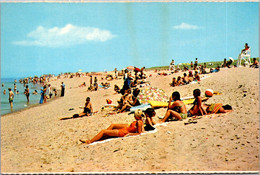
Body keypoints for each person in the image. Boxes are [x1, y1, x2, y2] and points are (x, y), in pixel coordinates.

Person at [79, 109, 145, 144]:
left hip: (123, 132)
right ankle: (104, 136)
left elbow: (139, 133)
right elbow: (143, 130)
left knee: (103, 131)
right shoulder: (140, 121)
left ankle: (90, 141)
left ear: (136, 116)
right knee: (113, 125)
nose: (134, 116)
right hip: (126, 128)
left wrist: (129, 134)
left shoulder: (139, 122)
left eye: (134, 115)